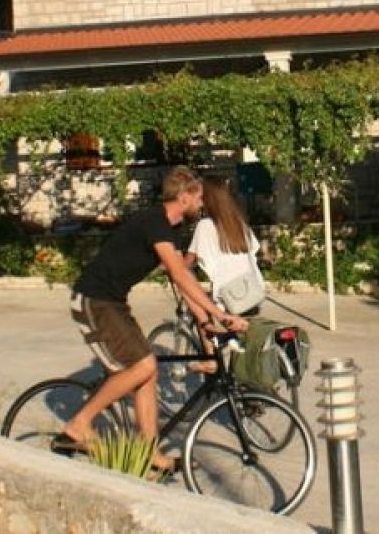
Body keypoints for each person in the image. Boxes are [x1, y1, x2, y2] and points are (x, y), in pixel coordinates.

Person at [61, 166, 245, 474]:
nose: (202, 204)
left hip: (114, 303)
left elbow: (180, 280)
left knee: (148, 372)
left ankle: (151, 454)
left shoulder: (168, 228)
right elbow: (178, 272)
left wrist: (205, 320)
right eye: (199, 197)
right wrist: (220, 313)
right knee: (142, 366)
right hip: (94, 300)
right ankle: (79, 424)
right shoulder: (155, 221)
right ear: (184, 197)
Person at [184, 176, 264, 315]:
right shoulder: (239, 223)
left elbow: (187, 263)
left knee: (202, 314)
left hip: (229, 297)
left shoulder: (204, 226)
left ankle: (209, 337)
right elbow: (253, 251)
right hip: (253, 292)